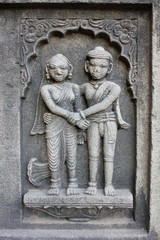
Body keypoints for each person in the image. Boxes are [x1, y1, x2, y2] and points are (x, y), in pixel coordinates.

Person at [69, 46, 130, 196]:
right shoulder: (82, 87)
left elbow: (104, 105)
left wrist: (81, 114)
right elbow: (76, 104)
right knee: (93, 154)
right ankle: (92, 184)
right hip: (92, 123)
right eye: (94, 65)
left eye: (102, 66)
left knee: (109, 155)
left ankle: (108, 185)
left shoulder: (113, 87)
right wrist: (77, 119)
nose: (97, 70)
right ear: (87, 66)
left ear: (109, 68)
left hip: (109, 122)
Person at [41, 54, 89, 196]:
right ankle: (55, 183)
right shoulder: (46, 89)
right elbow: (53, 108)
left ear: (69, 70)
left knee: (71, 153)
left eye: (63, 68)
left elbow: (78, 108)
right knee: (53, 154)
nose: (58, 71)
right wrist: (73, 118)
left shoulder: (74, 87)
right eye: (53, 68)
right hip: (54, 124)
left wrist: (81, 126)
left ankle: (72, 182)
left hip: (71, 126)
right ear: (48, 71)